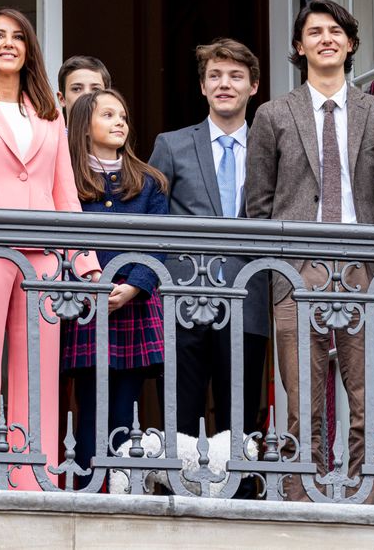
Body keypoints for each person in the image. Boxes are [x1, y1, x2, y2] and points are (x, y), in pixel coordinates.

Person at [0, 8, 100, 490]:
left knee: (40, 372)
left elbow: (65, 196)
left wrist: (84, 261)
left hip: (43, 256)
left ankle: (37, 477)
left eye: (17, 37)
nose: (8, 43)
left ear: (28, 50)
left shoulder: (49, 118)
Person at [245, 0, 374, 503]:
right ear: (299, 46)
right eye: (314, 31)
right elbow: (258, 205)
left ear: (350, 44)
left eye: (336, 31)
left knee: (367, 398)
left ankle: (365, 502)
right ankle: (300, 501)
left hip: (362, 265)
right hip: (296, 267)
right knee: (300, 401)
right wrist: (277, 275)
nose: (326, 38)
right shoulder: (272, 114)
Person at [148, 39, 271, 458]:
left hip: (248, 296)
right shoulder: (172, 144)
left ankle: (240, 501)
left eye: (236, 76)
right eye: (214, 76)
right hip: (182, 299)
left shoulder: (270, 146)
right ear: (202, 87)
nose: (224, 85)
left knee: (241, 417)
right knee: (179, 415)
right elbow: (152, 220)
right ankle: (178, 498)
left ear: (253, 86)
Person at [61, 88, 168, 488]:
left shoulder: (149, 182)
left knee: (127, 406)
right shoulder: (69, 180)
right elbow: (64, 240)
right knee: (88, 404)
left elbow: (159, 243)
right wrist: (88, 285)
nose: (120, 121)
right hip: (88, 307)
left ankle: (122, 487)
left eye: (122, 115)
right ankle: (90, 487)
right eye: (108, 115)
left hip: (135, 307)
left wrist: (135, 286)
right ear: (84, 126)